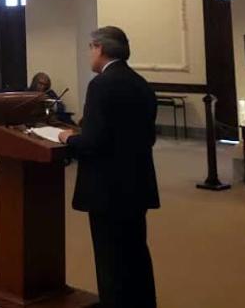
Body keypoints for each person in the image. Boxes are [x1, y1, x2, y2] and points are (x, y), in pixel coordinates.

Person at [58, 27, 159, 308]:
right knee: (136, 250)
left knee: (110, 257)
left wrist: (69, 137)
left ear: (99, 48)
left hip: (108, 187)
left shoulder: (101, 85)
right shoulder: (140, 82)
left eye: (90, 47)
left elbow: (94, 141)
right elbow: (147, 135)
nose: (90, 53)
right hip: (136, 181)